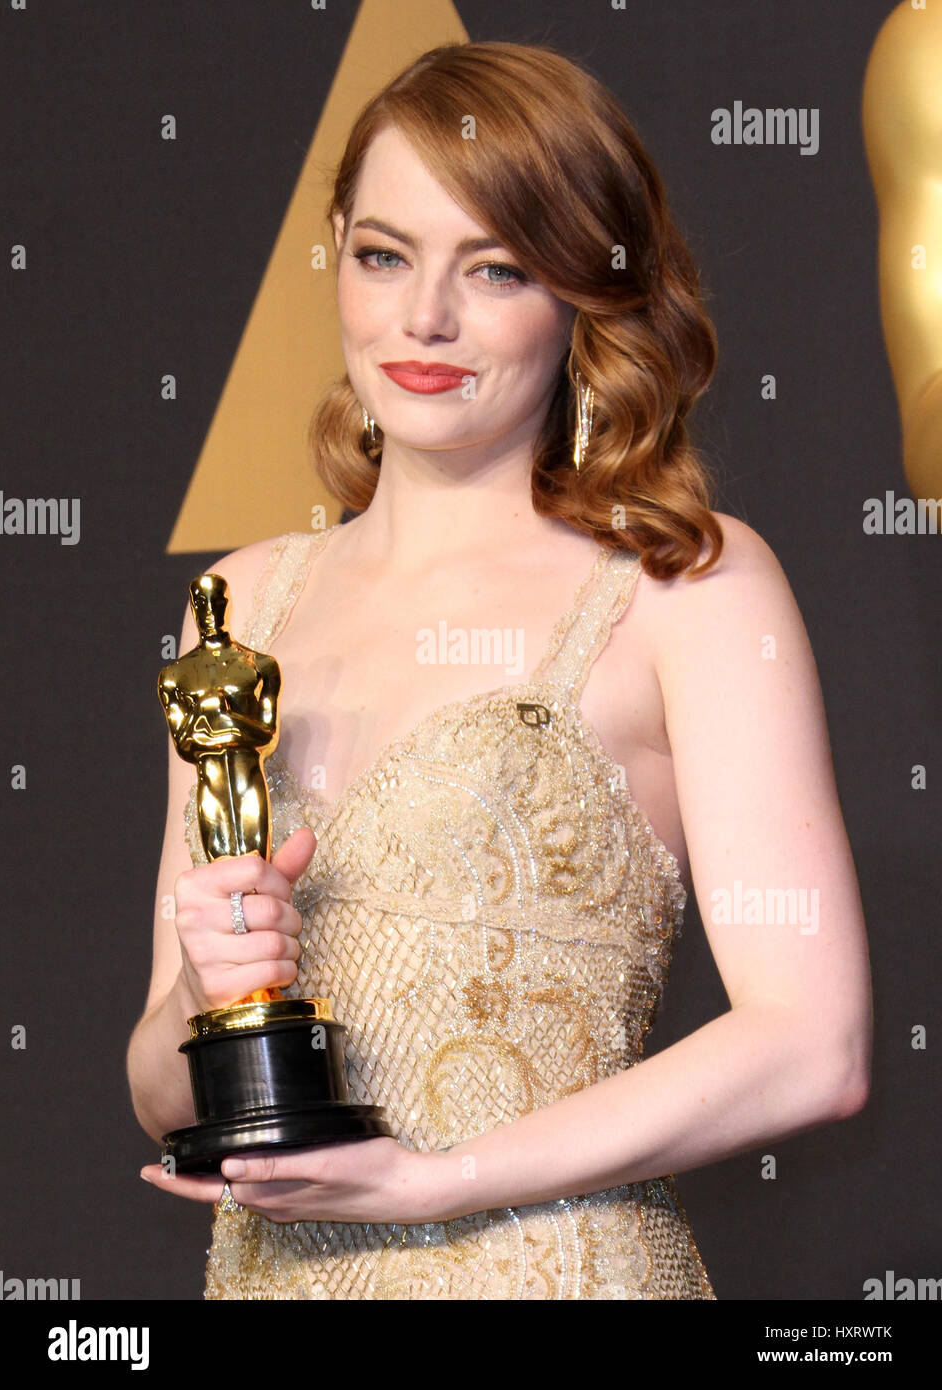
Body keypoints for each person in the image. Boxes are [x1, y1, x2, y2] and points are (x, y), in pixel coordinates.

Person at [126, 40, 872, 1300]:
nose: (423, 318)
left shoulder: (683, 581)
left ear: (584, 293)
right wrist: (213, 976)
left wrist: (438, 1178)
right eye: (383, 254)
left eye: (496, 268)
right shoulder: (240, 604)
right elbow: (160, 1085)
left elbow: (813, 1044)